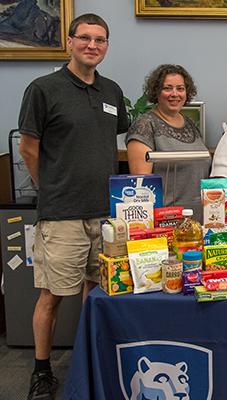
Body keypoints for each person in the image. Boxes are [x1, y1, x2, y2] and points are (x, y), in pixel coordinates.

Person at [18, 14, 128, 400]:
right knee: (52, 294)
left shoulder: (112, 92)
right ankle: (42, 371)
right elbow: (28, 147)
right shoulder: (43, 89)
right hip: (62, 212)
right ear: (70, 42)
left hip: (106, 211)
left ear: (107, 46)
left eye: (100, 40)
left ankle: (89, 358)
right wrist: (48, 185)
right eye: (84, 38)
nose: (92, 45)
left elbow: (109, 141)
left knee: (97, 290)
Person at [126, 64, 211, 217]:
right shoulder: (145, 125)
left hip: (197, 217)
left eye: (180, 88)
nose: (175, 94)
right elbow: (142, 189)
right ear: (156, 92)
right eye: (167, 88)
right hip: (166, 219)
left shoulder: (190, 124)